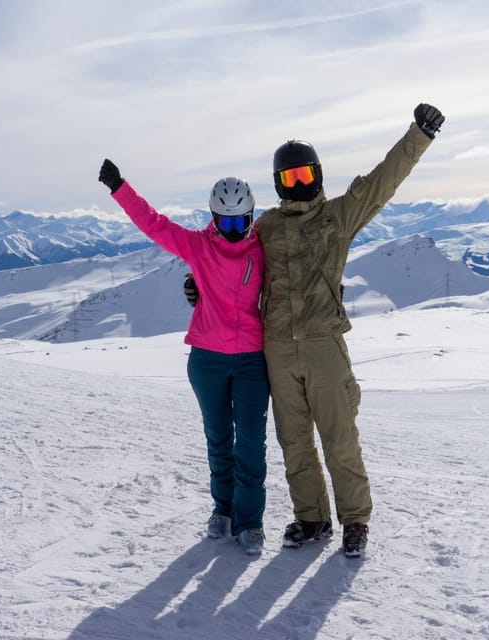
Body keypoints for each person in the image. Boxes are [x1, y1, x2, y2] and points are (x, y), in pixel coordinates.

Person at [186, 103, 445, 558]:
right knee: (294, 441)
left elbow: (382, 182)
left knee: (339, 437)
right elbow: (225, 254)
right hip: (276, 350)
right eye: (289, 178)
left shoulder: (338, 216)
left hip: (324, 345)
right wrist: (198, 286)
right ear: (277, 184)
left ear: (319, 175)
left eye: (305, 175)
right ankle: (312, 518)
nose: (298, 184)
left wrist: (418, 136)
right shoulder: (265, 226)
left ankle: (355, 520)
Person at [98, 159, 269, 556]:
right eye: (224, 222)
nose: (232, 230)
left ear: (251, 216)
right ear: (213, 218)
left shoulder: (264, 250)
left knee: (251, 444)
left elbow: (300, 267)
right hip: (207, 359)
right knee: (219, 439)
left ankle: (250, 521)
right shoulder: (198, 246)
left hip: (251, 361)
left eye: (239, 222)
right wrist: (120, 188)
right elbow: (154, 224)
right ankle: (222, 510)